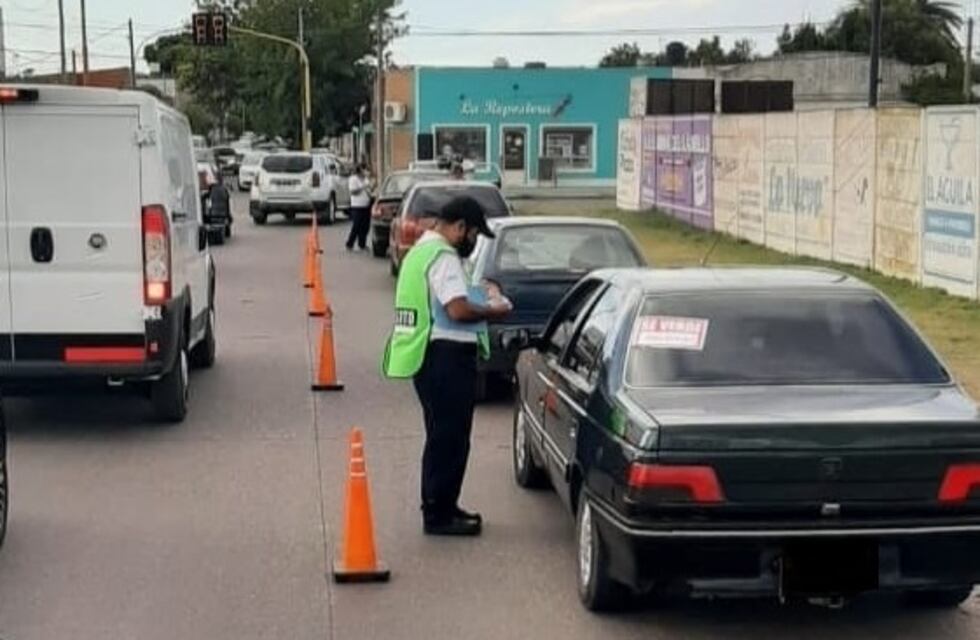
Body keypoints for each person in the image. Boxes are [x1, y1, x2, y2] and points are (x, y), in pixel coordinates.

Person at [382, 196, 512, 536]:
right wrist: (494, 309)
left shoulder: (421, 252)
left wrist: (479, 292)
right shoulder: (443, 257)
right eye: (472, 235)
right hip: (446, 357)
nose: (473, 242)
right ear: (459, 228)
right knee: (450, 439)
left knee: (442, 437)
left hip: (427, 356)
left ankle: (442, 505)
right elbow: (457, 309)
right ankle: (439, 514)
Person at [346, 163, 372, 251]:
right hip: (357, 206)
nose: (365, 172)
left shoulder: (366, 179)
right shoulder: (353, 179)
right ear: (360, 170)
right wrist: (363, 187)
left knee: (365, 226)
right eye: (364, 169)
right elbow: (353, 192)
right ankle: (350, 243)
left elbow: (369, 190)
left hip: (366, 205)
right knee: (356, 225)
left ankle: (362, 244)